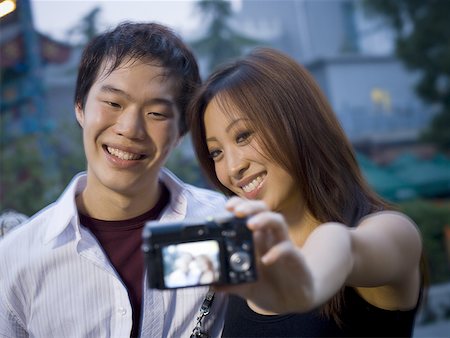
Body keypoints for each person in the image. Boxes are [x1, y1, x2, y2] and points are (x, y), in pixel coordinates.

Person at [0, 22, 227, 338]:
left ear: (180, 133)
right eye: (113, 103)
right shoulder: (15, 259)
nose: (130, 128)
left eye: (157, 114)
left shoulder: (222, 223)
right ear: (80, 107)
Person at [188, 47, 426, 337]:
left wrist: (306, 282)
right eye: (216, 152)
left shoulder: (390, 230)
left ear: (297, 123)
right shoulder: (248, 256)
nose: (233, 167)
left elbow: (345, 247)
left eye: (244, 135)